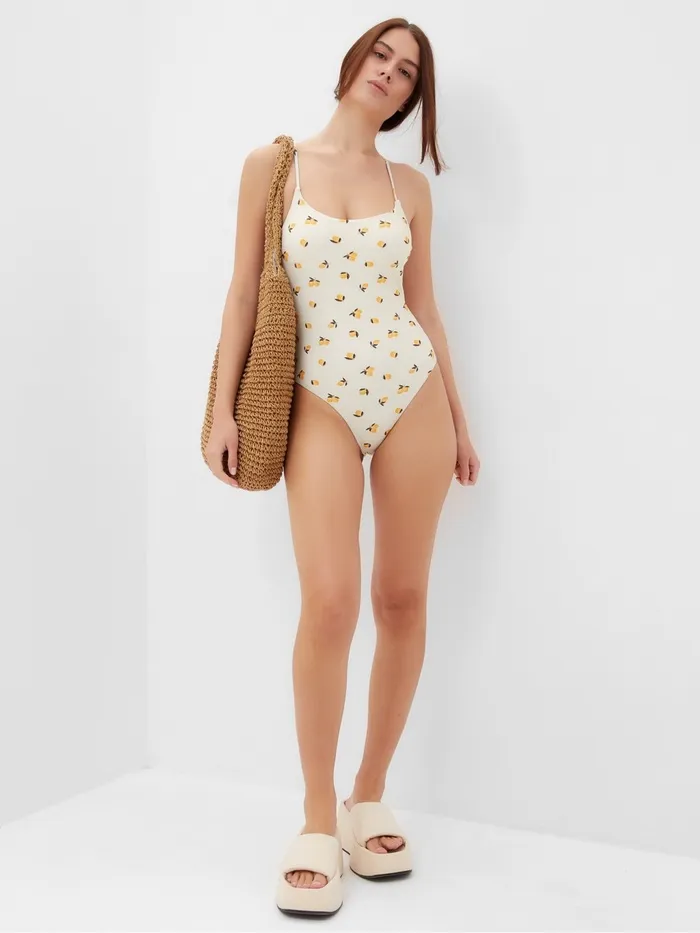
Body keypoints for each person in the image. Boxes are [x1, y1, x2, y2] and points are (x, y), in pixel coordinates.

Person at [205, 16, 480, 918]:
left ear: (412, 98)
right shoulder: (272, 165)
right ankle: (317, 815)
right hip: (316, 397)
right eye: (381, 57)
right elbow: (242, 294)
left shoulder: (411, 188)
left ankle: (368, 795)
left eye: (407, 73)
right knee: (329, 601)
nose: (389, 74)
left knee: (401, 599)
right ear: (354, 62)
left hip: (412, 394)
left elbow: (425, 309)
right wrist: (220, 409)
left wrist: (460, 418)